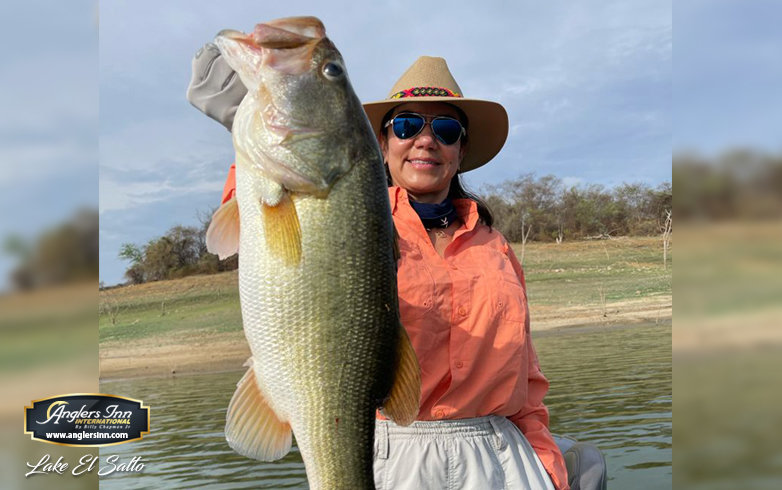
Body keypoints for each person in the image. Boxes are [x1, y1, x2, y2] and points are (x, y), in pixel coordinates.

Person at [188, 44, 587, 490]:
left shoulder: (496, 246)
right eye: (407, 124)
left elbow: (528, 381)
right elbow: (268, 221)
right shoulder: (344, 214)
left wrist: (547, 464)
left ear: (461, 150)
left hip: (501, 456)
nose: (426, 139)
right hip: (388, 453)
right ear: (382, 141)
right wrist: (252, 122)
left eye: (447, 129)